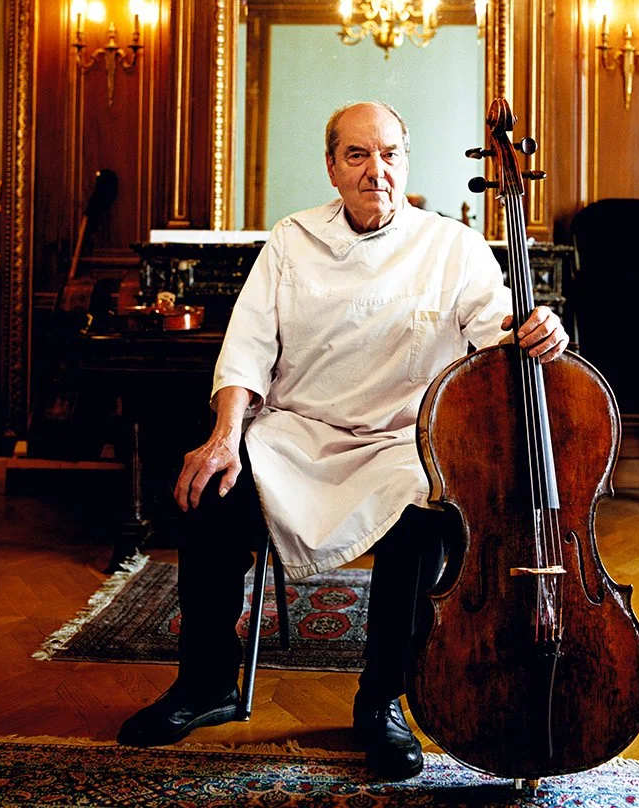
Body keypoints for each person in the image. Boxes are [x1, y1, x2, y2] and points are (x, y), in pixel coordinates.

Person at [117, 101, 568, 779]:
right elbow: (247, 349)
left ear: (406, 163)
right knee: (212, 488)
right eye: (356, 155)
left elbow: (497, 333)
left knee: (423, 512)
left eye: (389, 153)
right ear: (331, 168)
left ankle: (380, 700)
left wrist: (540, 332)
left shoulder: (454, 247)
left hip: (399, 440)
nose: (375, 170)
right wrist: (223, 435)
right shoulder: (291, 239)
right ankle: (206, 683)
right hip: (296, 435)